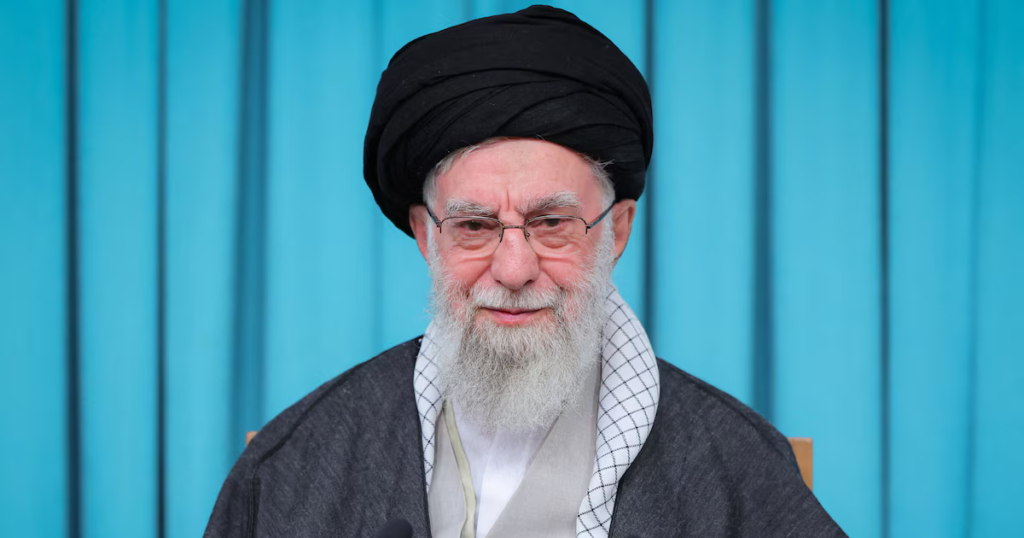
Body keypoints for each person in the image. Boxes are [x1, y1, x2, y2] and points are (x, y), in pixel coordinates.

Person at [205, 6, 845, 538]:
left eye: (552, 222)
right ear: (427, 236)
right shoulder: (293, 467)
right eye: (474, 226)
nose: (513, 270)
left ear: (617, 231)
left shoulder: (736, 469)